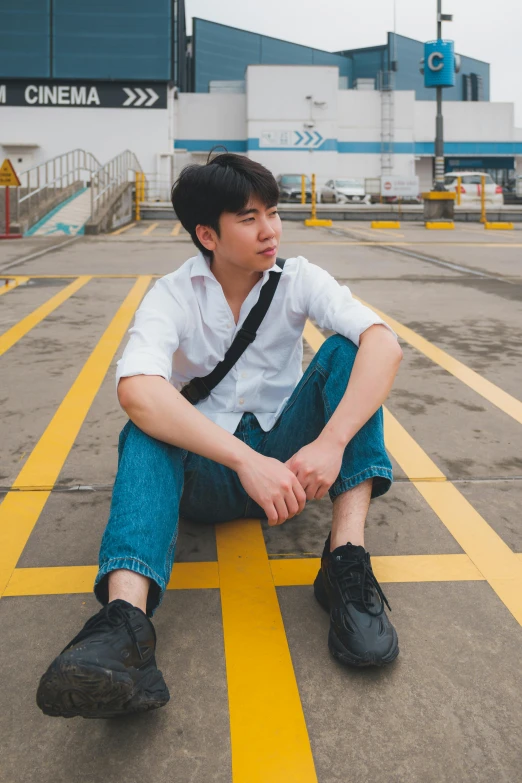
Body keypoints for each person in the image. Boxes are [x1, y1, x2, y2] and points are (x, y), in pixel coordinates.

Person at [37, 152, 403, 720]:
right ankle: (124, 629)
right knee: (147, 425)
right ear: (207, 233)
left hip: (289, 471)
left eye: (274, 213)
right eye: (249, 217)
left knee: (353, 352)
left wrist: (329, 443)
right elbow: (136, 390)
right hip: (208, 477)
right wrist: (242, 460)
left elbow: (386, 344)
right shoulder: (173, 294)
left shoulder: (299, 278)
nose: (270, 230)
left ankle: (345, 564)